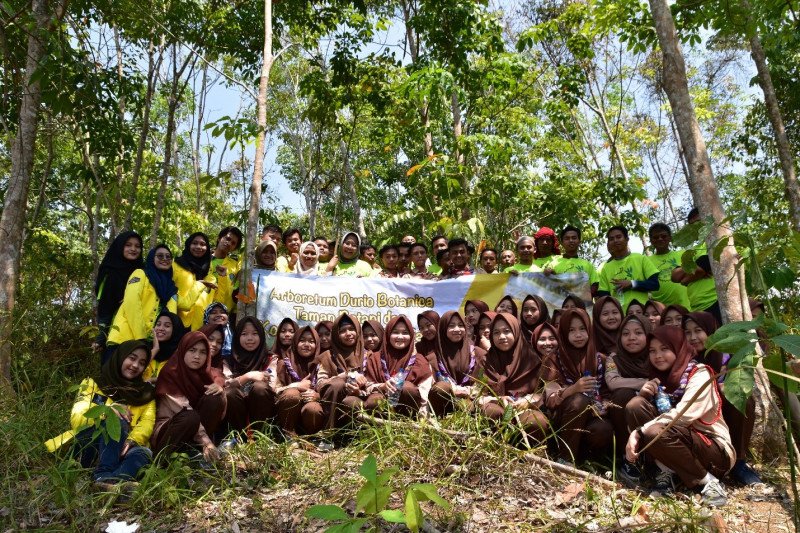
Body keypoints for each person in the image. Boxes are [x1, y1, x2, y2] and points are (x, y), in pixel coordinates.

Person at [624, 326, 733, 506]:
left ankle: (710, 482)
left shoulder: (700, 373)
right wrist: (643, 396)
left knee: (653, 431)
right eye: (652, 351)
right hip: (677, 443)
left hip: (713, 450)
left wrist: (638, 431)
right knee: (635, 406)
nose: (658, 355)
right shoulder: (658, 379)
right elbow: (645, 413)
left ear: (679, 348)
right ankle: (666, 472)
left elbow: (684, 414)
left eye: (665, 348)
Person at [46, 340, 155, 486]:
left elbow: (147, 423)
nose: (135, 365)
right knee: (115, 420)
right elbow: (78, 417)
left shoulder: (146, 394)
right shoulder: (93, 383)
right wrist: (108, 412)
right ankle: (103, 475)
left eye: (142, 363)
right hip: (91, 443)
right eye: (132, 358)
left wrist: (132, 440)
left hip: (124, 448)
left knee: (144, 453)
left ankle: (112, 484)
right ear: (120, 356)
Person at [683, 312, 761, 485]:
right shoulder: (682, 358)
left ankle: (739, 463)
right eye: (687, 332)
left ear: (712, 332)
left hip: (722, 412)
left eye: (698, 331)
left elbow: (736, 383)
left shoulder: (727, 357)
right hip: (696, 415)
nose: (693, 337)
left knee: (743, 399)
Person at [544, 308, 613, 464]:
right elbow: (549, 398)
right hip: (562, 417)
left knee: (603, 430)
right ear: (563, 332)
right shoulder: (553, 358)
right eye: (572, 330)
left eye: (582, 329)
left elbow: (607, 392)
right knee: (579, 400)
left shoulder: (599, 359)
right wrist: (573, 389)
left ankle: (587, 462)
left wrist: (605, 404)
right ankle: (565, 458)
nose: (578, 334)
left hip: (593, 415)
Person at [151, 332, 227, 462]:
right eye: (192, 350)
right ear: (183, 350)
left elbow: (219, 376)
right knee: (189, 417)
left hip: (194, 430)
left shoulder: (203, 373)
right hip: (170, 431)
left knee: (215, 397)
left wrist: (219, 387)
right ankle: (161, 461)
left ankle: (196, 453)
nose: (197, 356)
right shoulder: (171, 372)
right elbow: (184, 409)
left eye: (203, 352)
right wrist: (207, 442)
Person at [477, 313, 550, 442]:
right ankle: (494, 448)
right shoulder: (485, 360)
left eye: (506, 331)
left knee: (537, 422)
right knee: (490, 412)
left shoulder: (531, 359)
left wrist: (527, 400)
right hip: (496, 406)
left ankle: (527, 455)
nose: (502, 337)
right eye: (496, 333)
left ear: (516, 331)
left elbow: (541, 393)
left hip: (524, 408)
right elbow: (477, 393)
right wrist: (497, 399)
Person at [105, 245, 179, 363]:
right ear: (151, 258)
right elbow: (132, 304)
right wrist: (141, 337)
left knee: (135, 381)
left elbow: (181, 308)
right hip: (124, 339)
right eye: (160, 256)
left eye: (168, 256)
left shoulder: (170, 288)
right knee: (112, 379)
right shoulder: (140, 274)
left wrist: (199, 284)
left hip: (146, 345)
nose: (165, 258)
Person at [348, 316, 433, 417]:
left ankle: (404, 427)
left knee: (406, 387)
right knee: (373, 400)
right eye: (395, 332)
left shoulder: (420, 360)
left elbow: (425, 392)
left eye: (405, 333)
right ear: (388, 334)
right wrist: (383, 386)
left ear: (411, 335)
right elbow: (367, 386)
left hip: (411, 412)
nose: (400, 337)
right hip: (381, 408)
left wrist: (423, 419)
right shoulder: (375, 358)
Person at [604, 315, 652, 469]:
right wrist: (644, 382)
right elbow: (613, 382)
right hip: (623, 413)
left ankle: (654, 460)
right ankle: (627, 457)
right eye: (625, 334)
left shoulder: (655, 353)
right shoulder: (614, 358)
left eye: (638, 333)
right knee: (622, 394)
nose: (631, 338)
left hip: (651, 408)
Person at [224, 317, 276, 434]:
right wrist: (248, 376)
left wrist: (240, 382)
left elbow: (271, 385)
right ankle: (237, 437)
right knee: (230, 393)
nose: (250, 339)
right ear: (237, 337)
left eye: (255, 334)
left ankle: (260, 436)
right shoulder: (228, 360)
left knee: (260, 388)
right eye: (244, 334)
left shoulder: (269, 359)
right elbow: (226, 384)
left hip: (262, 409)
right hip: (236, 409)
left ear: (261, 336)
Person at [429, 311, 486, 417]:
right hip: (442, 404)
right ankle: (440, 423)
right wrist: (453, 390)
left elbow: (485, 380)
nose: (457, 329)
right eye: (451, 326)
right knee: (441, 388)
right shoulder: (434, 356)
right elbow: (429, 384)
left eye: (460, 325)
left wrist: (471, 391)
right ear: (443, 329)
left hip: (470, 401)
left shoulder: (478, 353)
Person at [94, 231, 144, 352]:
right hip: (114, 328)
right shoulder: (109, 270)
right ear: (120, 246)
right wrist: (100, 338)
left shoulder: (144, 270)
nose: (133, 249)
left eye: (137, 246)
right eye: (128, 245)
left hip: (139, 327)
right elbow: (104, 304)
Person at [316, 314, 366, 428]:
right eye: (343, 331)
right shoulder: (328, 356)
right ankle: (328, 434)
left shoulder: (369, 355)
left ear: (358, 330)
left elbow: (375, 384)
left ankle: (354, 438)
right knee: (337, 384)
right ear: (336, 335)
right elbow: (320, 385)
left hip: (360, 401)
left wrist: (359, 392)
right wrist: (345, 376)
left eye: (352, 329)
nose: (348, 333)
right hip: (331, 405)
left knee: (352, 402)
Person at [671, 210, 721, 322]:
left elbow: (698, 271)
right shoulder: (692, 251)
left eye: (699, 222)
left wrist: (685, 278)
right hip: (696, 307)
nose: (697, 228)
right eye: (693, 225)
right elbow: (675, 276)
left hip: (716, 301)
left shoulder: (716, 242)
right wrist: (695, 268)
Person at [274, 326, 325, 436]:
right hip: (287, 412)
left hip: (310, 410)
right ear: (295, 342)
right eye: (302, 341)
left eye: (311, 342)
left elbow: (328, 391)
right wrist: (296, 386)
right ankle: (289, 435)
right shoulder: (283, 364)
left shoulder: (322, 363)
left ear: (317, 345)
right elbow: (274, 390)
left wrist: (317, 395)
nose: (306, 344)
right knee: (292, 394)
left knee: (313, 408)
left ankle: (311, 438)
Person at [597, 225, 659, 313]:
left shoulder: (641, 258)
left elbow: (655, 284)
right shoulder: (606, 267)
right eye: (611, 239)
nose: (615, 241)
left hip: (641, 313)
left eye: (619, 237)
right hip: (619, 317)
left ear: (627, 239)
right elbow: (603, 296)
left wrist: (632, 284)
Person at [173, 232, 226, 328]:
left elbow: (219, 301)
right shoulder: (175, 266)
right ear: (188, 245)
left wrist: (222, 278)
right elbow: (169, 295)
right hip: (177, 325)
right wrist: (199, 285)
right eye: (194, 243)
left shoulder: (210, 277)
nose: (198, 247)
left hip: (201, 327)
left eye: (203, 244)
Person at [646, 223, 691, 309]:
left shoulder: (683, 254)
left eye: (663, 236)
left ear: (670, 238)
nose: (660, 239)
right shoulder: (646, 261)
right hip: (660, 311)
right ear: (651, 241)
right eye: (655, 237)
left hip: (686, 306)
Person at [549, 226, 599, 297]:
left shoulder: (588, 265)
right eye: (567, 238)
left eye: (574, 238)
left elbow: (595, 285)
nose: (571, 240)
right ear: (562, 242)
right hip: (560, 306)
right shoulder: (553, 264)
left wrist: (582, 296)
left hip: (582, 306)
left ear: (579, 241)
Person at [143, 310, 187, 381]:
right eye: (158, 324)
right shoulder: (144, 349)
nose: (160, 329)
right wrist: (155, 349)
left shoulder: (181, 355)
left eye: (167, 326)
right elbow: (136, 370)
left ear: (175, 330)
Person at [210, 226, 244, 312]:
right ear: (219, 238)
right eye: (227, 239)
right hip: (200, 311)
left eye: (233, 243)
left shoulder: (235, 265)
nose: (229, 243)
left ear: (234, 248)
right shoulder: (204, 259)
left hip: (224, 314)